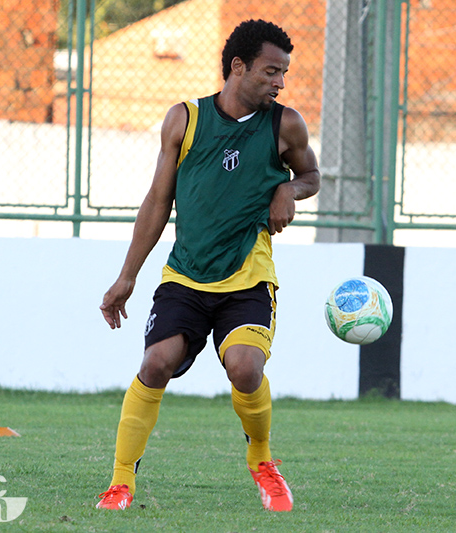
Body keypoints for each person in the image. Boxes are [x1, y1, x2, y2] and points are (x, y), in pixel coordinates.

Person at [95, 19, 320, 512]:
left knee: (244, 367)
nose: (280, 82)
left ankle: (261, 459)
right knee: (156, 362)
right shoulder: (184, 119)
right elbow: (158, 200)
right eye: (270, 71)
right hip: (186, 275)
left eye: (283, 73)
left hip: (248, 276)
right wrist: (127, 276)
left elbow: (311, 175)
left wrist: (288, 188)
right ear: (237, 67)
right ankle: (120, 483)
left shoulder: (285, 124)